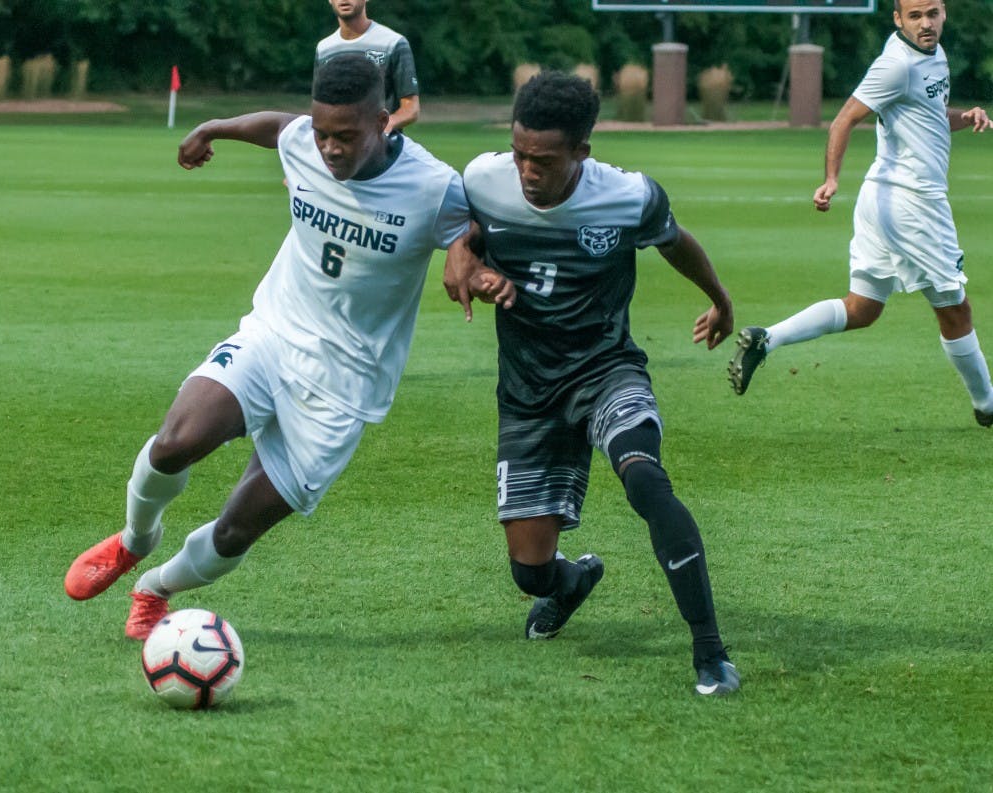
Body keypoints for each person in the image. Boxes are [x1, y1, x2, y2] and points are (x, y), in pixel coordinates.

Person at [64, 53, 512, 639]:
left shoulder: (433, 188)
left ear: (383, 121)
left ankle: (156, 589)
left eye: (345, 136)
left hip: (344, 386)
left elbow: (479, 227)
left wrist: (466, 249)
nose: (328, 148)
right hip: (273, 335)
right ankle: (134, 541)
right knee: (177, 441)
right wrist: (214, 127)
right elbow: (280, 126)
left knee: (234, 531)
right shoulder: (304, 138)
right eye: (322, 132)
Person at [444, 71, 740, 695]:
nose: (527, 170)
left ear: (582, 150)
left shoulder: (628, 197)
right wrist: (468, 266)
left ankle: (710, 652)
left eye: (543, 160)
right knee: (529, 572)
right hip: (527, 393)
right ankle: (572, 581)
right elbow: (459, 238)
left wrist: (720, 299)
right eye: (520, 153)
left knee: (646, 480)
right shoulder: (481, 180)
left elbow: (675, 242)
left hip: (606, 370)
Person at [729, 0, 993, 428]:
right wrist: (831, 179)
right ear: (897, 19)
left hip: (881, 201)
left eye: (934, 13)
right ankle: (988, 406)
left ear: (944, 13)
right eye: (915, 15)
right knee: (955, 309)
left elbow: (928, 116)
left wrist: (966, 116)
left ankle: (767, 339)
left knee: (862, 308)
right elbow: (844, 119)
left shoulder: (934, 56)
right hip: (913, 206)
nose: (926, 23)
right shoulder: (896, 64)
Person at [315, 0, 419, 134]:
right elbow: (320, 106)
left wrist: (387, 123)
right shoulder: (324, 49)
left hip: (383, 149)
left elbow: (411, 109)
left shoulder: (394, 43)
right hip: (340, 148)